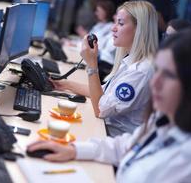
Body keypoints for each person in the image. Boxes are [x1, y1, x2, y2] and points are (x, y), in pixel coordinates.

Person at [28, 29, 191, 182]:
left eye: (169, 75)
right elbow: (124, 146)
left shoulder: (185, 158)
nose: (155, 82)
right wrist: (73, 150)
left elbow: (100, 108)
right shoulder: (162, 122)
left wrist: (92, 66)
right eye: (158, 71)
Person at [52, 1, 158, 136]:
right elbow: (102, 93)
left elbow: (100, 109)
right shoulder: (130, 62)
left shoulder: (140, 71)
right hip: (104, 130)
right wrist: (63, 85)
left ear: (139, 29)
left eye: (120, 23)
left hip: (111, 139)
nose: (113, 28)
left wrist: (92, 64)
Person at [76, 0, 116, 83]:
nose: (96, 13)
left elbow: (95, 47)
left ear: (106, 11)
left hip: (103, 65)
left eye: (98, 11)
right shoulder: (98, 25)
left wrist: (84, 36)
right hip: (94, 61)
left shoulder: (110, 27)